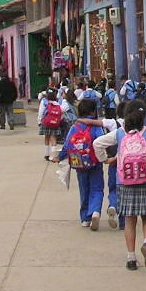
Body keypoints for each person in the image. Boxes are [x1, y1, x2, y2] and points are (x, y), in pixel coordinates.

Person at [92, 101, 146, 271]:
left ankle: (131, 257)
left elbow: (97, 143)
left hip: (124, 182)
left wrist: (105, 159)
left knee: (129, 220)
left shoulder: (120, 133)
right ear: (144, 116)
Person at [54, 98, 106, 229]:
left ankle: (85, 218)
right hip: (94, 162)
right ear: (94, 112)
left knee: (84, 189)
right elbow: (101, 142)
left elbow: (67, 145)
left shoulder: (74, 127)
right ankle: (95, 211)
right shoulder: (96, 127)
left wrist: (59, 157)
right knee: (97, 188)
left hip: (79, 163)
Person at [38, 90, 64, 161]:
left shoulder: (44, 102)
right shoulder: (58, 104)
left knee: (47, 137)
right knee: (53, 138)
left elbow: (41, 112)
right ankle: (53, 156)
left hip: (46, 123)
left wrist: (39, 121)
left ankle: (47, 154)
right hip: (55, 123)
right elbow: (61, 114)